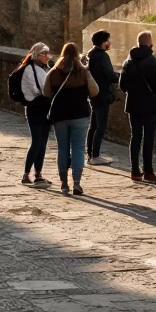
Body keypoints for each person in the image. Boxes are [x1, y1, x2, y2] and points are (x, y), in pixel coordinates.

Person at [43, 43, 98, 196]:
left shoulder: (53, 72)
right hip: (80, 114)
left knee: (62, 148)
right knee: (79, 148)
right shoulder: (83, 72)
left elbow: (46, 92)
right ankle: (77, 183)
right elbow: (95, 91)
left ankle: (64, 184)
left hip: (60, 115)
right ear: (77, 55)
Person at [119, 30, 156, 184]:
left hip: (132, 105)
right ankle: (148, 171)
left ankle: (134, 171)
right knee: (148, 138)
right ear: (149, 44)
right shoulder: (152, 61)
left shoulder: (128, 61)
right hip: (148, 105)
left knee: (135, 137)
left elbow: (122, 86)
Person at [18, 42, 52, 186]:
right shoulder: (30, 69)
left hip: (45, 108)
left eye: (47, 53)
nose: (46, 56)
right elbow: (37, 89)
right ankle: (26, 174)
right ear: (35, 55)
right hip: (35, 108)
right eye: (42, 54)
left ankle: (38, 174)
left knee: (43, 142)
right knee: (36, 141)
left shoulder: (45, 69)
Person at [85, 30, 119, 166]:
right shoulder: (103, 56)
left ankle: (90, 154)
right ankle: (96, 156)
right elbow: (110, 75)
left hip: (93, 94)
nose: (109, 43)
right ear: (103, 42)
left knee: (93, 125)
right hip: (103, 94)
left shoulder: (90, 54)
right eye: (108, 40)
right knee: (101, 126)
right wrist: (118, 77)